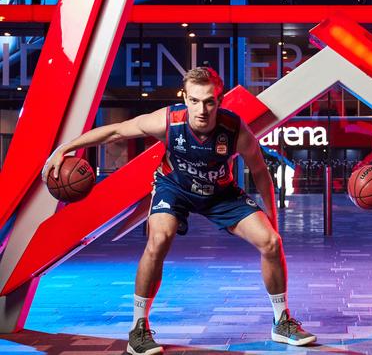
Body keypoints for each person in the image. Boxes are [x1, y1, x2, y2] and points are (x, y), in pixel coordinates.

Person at [42, 67, 316, 355]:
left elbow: (260, 172)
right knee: (159, 239)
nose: (202, 109)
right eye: (195, 100)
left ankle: (281, 322)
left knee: (271, 242)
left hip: (219, 192)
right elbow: (115, 131)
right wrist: (65, 148)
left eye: (209, 101)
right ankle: (139, 328)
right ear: (185, 98)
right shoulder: (167, 121)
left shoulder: (235, 130)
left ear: (219, 101)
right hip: (174, 187)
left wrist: (272, 217)